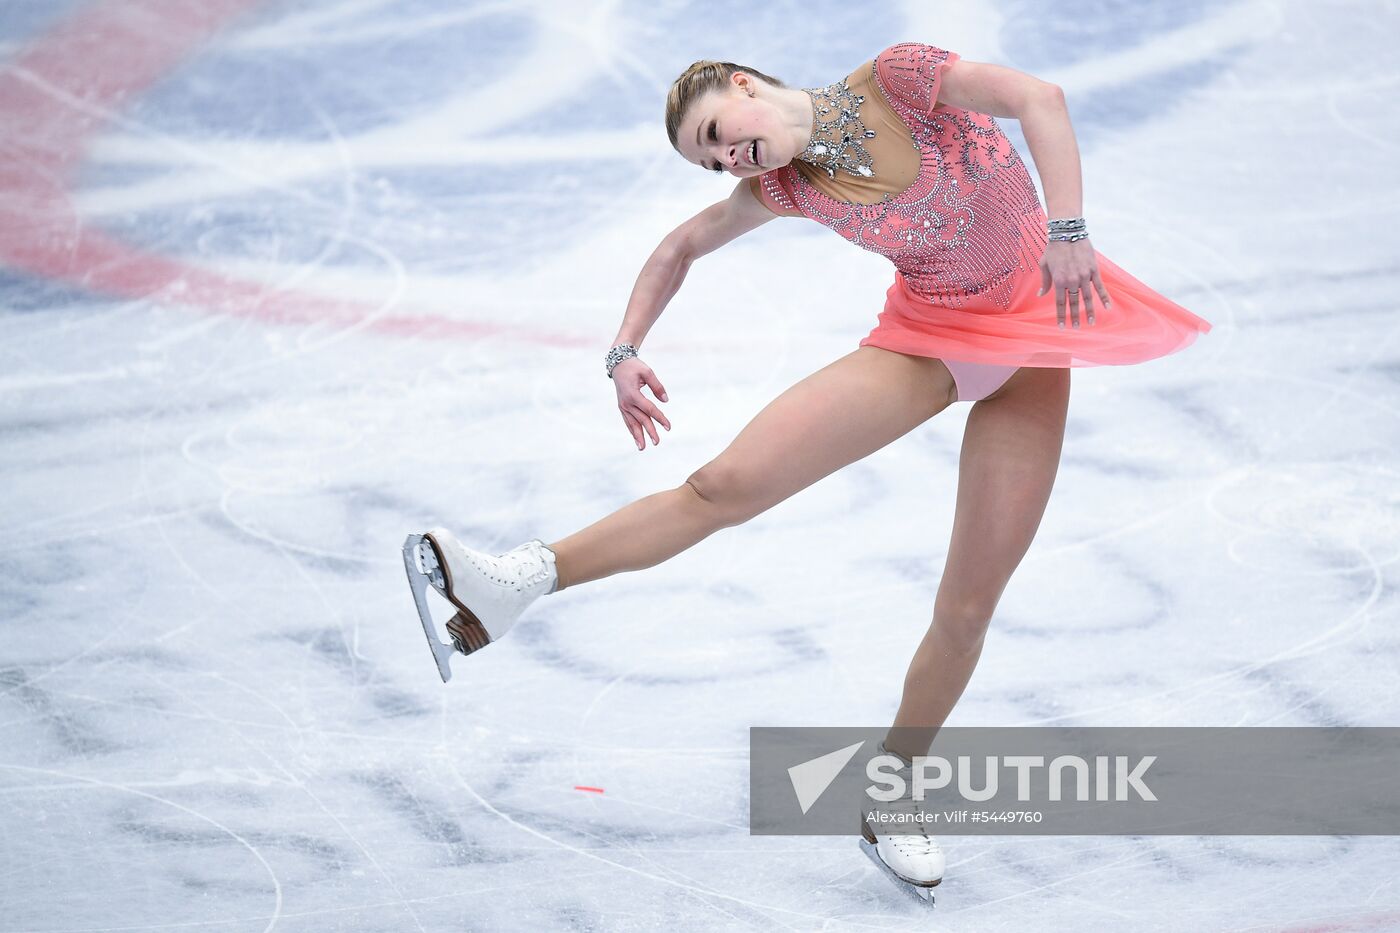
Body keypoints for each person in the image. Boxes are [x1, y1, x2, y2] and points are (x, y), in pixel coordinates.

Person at [401, 40, 1212, 902]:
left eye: (717, 131)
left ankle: (894, 795)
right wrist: (624, 350)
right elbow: (680, 247)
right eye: (708, 160)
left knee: (967, 608)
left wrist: (1070, 229)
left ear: (745, 87)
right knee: (721, 487)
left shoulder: (900, 80)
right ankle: (512, 583)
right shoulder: (786, 187)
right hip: (928, 341)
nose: (725, 158)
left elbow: (1040, 98)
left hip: (1035, 345)